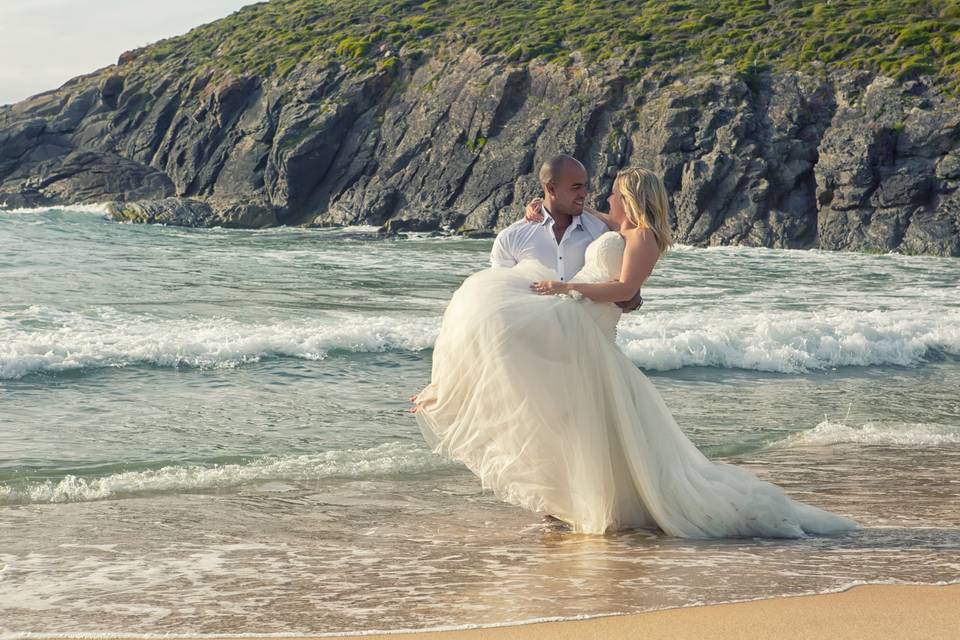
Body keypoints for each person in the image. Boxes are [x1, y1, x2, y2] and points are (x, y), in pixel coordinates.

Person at [411, 166, 859, 539]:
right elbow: (585, 218)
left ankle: (456, 397)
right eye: (590, 191)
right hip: (575, 322)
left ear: (631, 199)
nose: (602, 198)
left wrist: (567, 286)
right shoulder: (613, 227)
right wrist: (540, 207)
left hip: (586, 325)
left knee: (510, 337)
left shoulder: (642, 236)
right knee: (495, 326)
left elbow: (626, 288)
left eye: (613, 194)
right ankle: (453, 393)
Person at [491, 154, 645, 313]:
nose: (585, 193)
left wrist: (632, 299)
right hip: (531, 334)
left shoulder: (601, 233)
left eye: (585, 186)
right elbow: (500, 298)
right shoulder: (511, 238)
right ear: (551, 188)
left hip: (585, 334)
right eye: (576, 187)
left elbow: (628, 296)